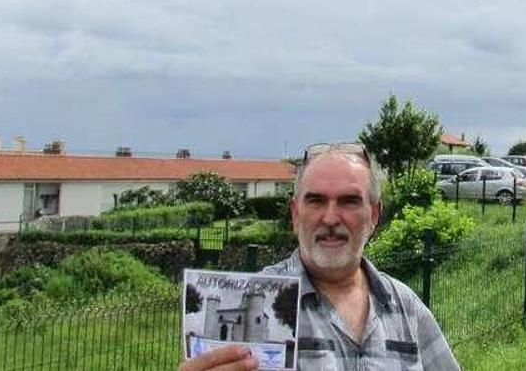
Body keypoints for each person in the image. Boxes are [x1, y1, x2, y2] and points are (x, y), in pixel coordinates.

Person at [179, 142, 459, 371]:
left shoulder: (404, 306)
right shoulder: (254, 297)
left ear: (374, 215)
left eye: (349, 201)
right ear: (295, 213)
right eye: (316, 201)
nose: (330, 218)